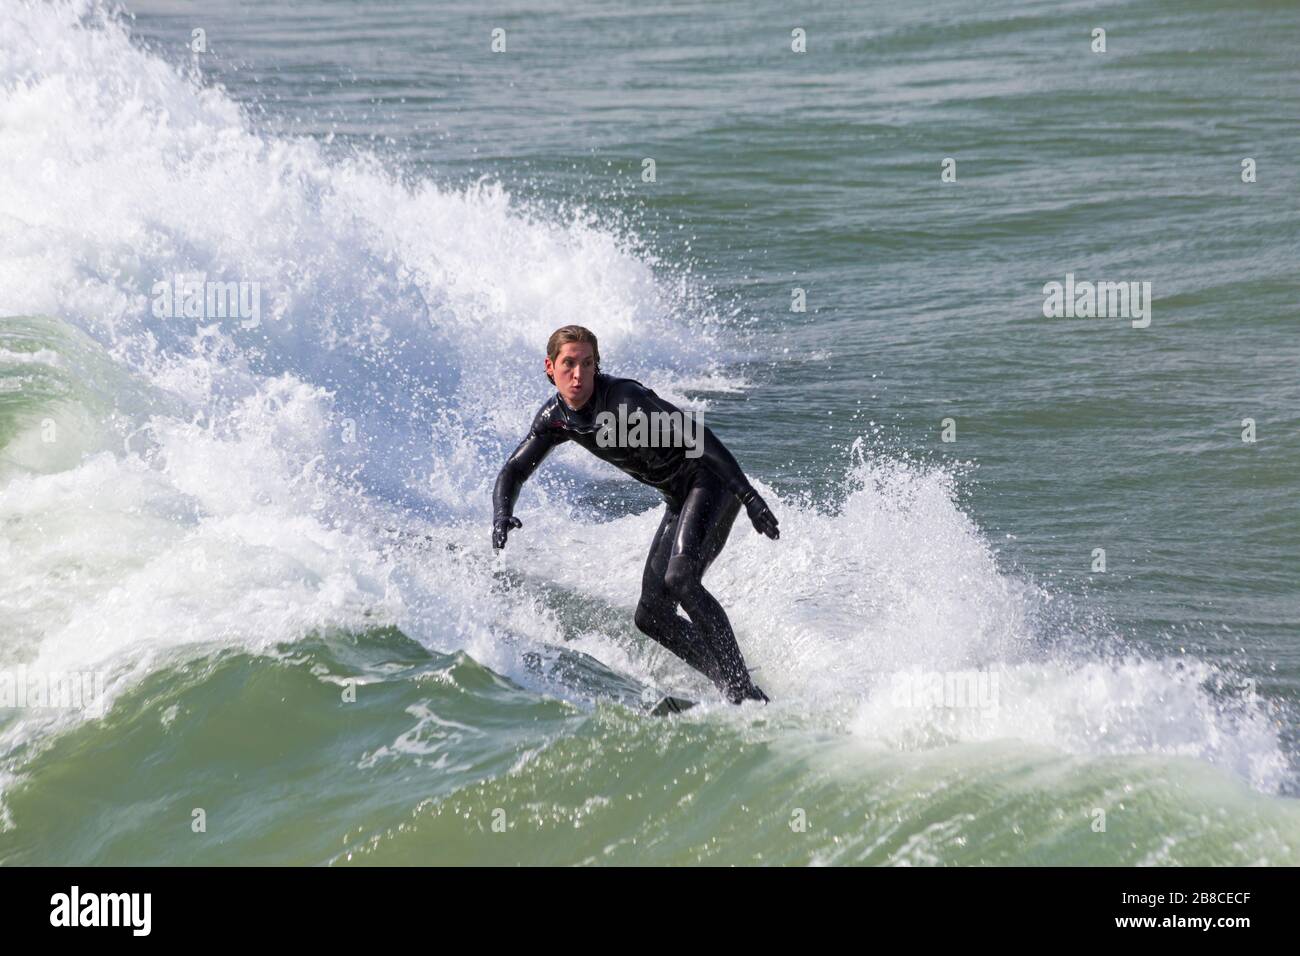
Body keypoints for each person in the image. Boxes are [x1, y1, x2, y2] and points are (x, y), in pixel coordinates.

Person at [492, 325, 778, 704]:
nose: (578, 375)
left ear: (597, 366)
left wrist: (750, 496)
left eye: (587, 364)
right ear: (550, 368)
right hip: (678, 498)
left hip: (711, 483)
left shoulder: (625, 400)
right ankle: (730, 683)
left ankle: (743, 691)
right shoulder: (556, 418)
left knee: (680, 578)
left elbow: (698, 437)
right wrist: (501, 513)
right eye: (569, 364)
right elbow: (514, 470)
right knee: (651, 615)